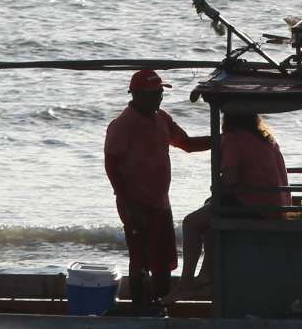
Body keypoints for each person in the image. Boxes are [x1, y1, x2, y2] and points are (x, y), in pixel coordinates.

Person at [103, 69, 211, 313]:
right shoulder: (122, 125)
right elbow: (111, 166)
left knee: (163, 260)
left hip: (161, 202)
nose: (160, 97)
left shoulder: (162, 118)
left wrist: (219, 139)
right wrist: (128, 205)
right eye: (155, 93)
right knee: (140, 259)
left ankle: (160, 306)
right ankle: (140, 309)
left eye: (161, 92)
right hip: (135, 203)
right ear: (137, 95)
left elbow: (187, 144)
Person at [178, 111, 290, 291]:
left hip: (258, 207)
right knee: (211, 206)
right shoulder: (266, 138)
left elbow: (230, 180)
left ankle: (185, 283)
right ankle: (207, 271)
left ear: (227, 118)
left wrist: (218, 185)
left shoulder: (234, 139)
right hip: (275, 205)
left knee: (191, 222)